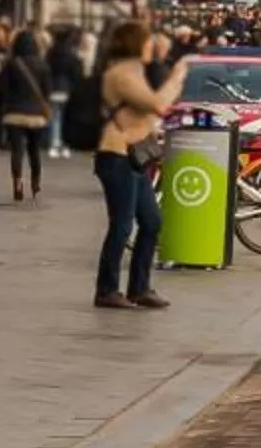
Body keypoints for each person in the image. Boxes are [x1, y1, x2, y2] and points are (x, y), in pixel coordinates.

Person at [93, 19, 185, 312]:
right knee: (121, 224)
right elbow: (157, 104)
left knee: (152, 220)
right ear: (134, 44)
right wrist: (178, 76)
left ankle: (139, 287)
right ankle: (107, 290)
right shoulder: (122, 75)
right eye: (147, 42)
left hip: (133, 154)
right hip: (116, 154)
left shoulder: (134, 72)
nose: (152, 46)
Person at [0, 27, 51, 200]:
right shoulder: (43, 65)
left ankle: (18, 182)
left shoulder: (11, 65)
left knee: (17, 151)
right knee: (34, 150)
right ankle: (36, 183)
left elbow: (1, 90)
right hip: (36, 116)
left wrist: (0, 109)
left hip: (14, 114)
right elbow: (47, 91)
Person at [44, 24, 86, 156]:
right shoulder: (71, 54)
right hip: (66, 88)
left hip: (52, 87)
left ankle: (53, 141)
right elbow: (76, 73)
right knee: (64, 116)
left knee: (54, 116)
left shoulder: (50, 53)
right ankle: (61, 142)